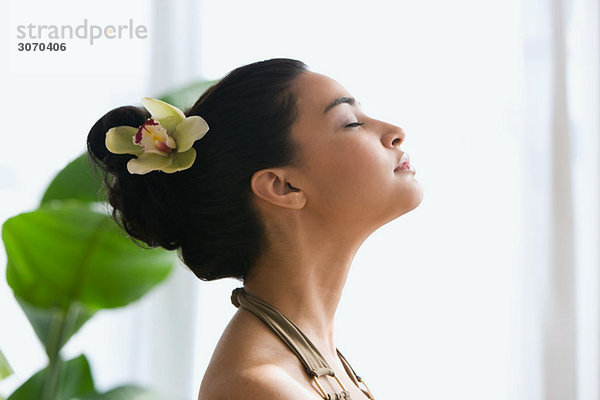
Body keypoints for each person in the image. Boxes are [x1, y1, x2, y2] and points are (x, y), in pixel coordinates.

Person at [87, 58, 423, 399]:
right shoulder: (257, 388)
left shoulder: (317, 362)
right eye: (351, 123)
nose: (395, 132)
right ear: (282, 186)